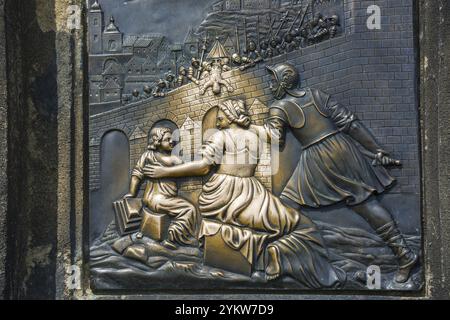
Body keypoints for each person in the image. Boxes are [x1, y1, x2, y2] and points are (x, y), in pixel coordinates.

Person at [144, 99, 346, 289]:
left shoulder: (220, 135)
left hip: (222, 195)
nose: (217, 118)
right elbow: (275, 135)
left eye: (221, 113)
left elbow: (204, 167)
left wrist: (165, 171)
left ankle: (271, 253)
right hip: (254, 193)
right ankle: (280, 253)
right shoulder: (256, 134)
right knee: (301, 225)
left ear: (231, 115)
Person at [264, 63, 418, 283]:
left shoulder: (279, 107)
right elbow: (350, 124)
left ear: (285, 81)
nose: (270, 86)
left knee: (287, 206)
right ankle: (404, 255)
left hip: (318, 158)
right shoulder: (317, 95)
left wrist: (264, 126)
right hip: (343, 149)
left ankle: (303, 261)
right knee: (365, 203)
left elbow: (275, 138)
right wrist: (376, 149)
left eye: (273, 80)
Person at [124, 127, 197, 249]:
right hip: (161, 199)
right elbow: (188, 169)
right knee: (189, 209)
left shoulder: (147, 156)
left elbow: (137, 174)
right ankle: (173, 237)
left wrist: (132, 193)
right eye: (167, 139)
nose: (171, 142)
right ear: (157, 141)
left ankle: (146, 232)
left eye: (172, 139)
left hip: (149, 199)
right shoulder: (173, 159)